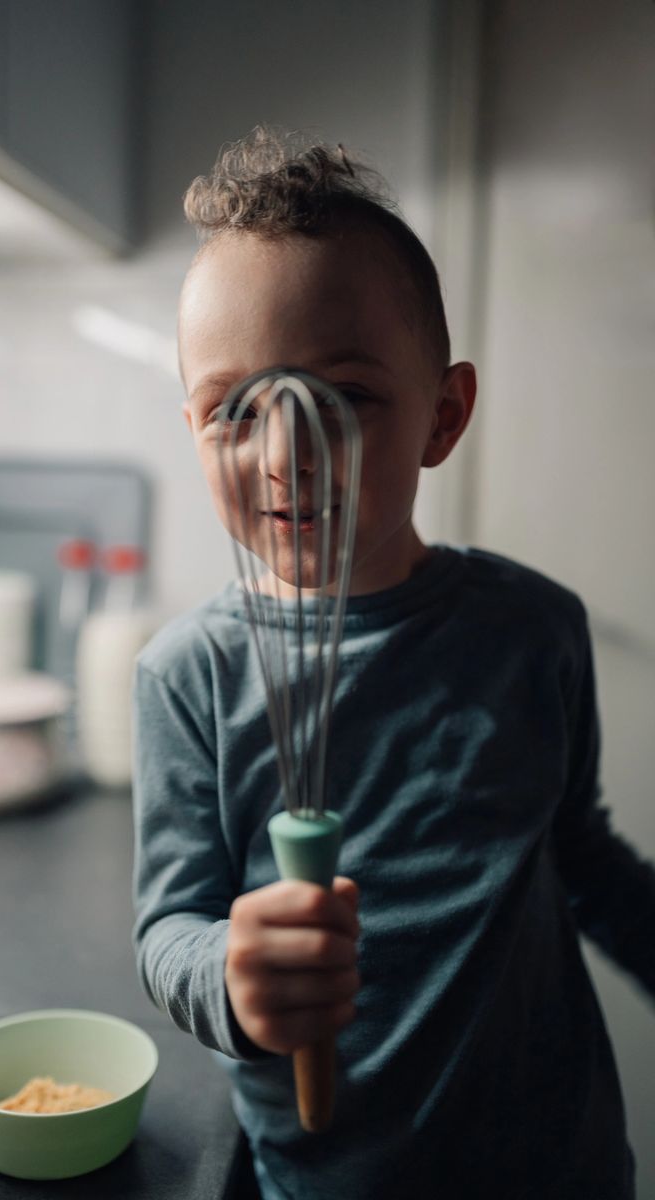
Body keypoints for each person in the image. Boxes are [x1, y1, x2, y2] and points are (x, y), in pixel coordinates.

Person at [131, 127, 655, 1199]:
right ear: (191, 425)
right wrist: (228, 977)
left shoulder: (531, 634)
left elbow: (580, 856)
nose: (284, 452)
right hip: (334, 1178)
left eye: (348, 396)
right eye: (233, 408)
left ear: (442, 415)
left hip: (560, 1169)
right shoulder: (184, 677)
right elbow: (167, 927)